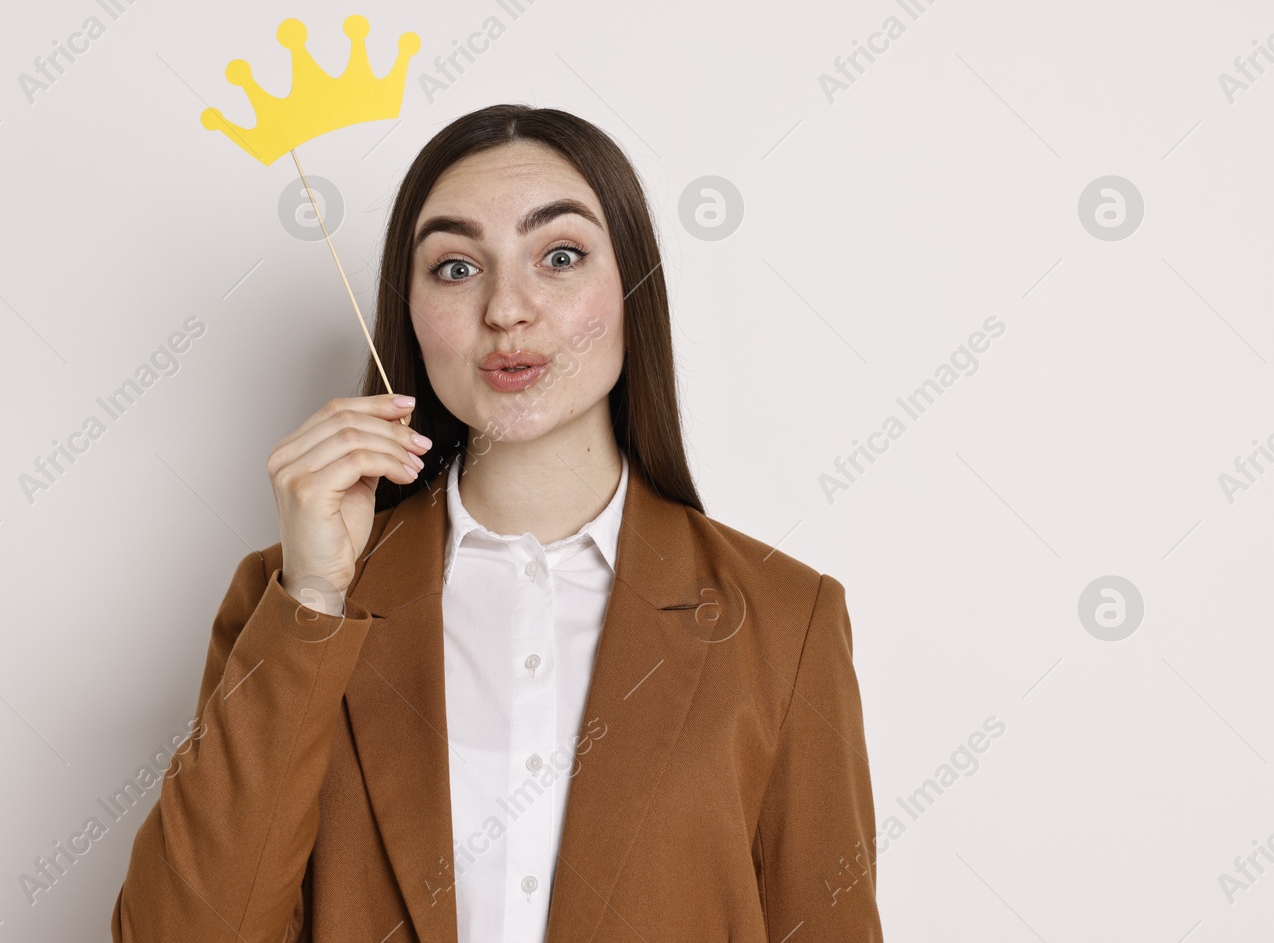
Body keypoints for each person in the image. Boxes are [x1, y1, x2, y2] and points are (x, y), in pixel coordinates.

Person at [110, 105, 883, 941]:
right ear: (408, 310)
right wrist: (313, 597)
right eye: (454, 267)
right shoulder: (291, 598)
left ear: (631, 288)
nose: (507, 309)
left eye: (559, 256)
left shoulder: (781, 619)